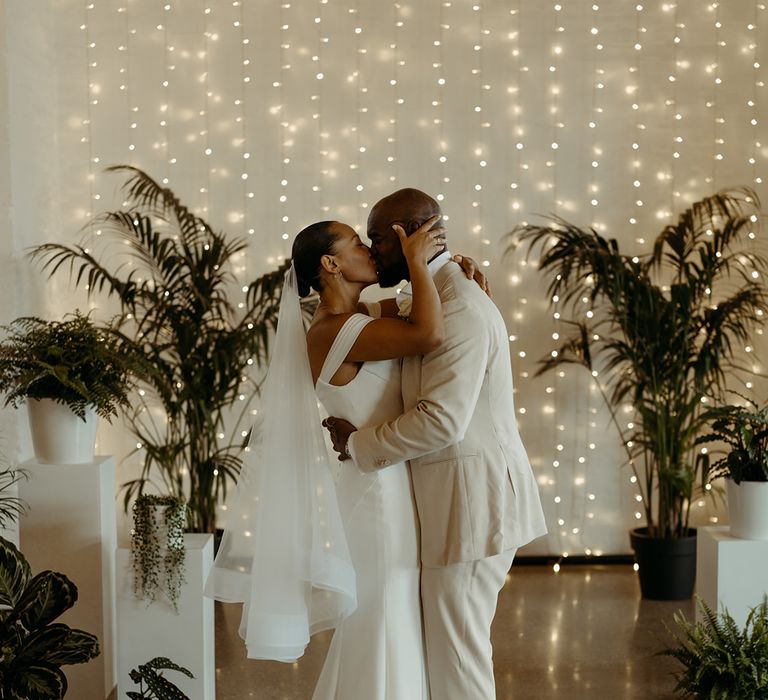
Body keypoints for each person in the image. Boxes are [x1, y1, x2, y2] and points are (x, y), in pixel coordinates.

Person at [206, 211, 488, 699]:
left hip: (387, 481)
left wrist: (460, 280)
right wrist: (419, 262)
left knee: (392, 614)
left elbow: (427, 314)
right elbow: (427, 334)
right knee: (383, 617)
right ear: (331, 264)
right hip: (379, 496)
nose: (371, 251)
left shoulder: (362, 319)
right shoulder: (333, 330)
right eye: (358, 243)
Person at [324, 188, 548, 700]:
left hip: (472, 504)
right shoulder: (435, 294)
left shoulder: (461, 306)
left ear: (407, 237)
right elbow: (380, 309)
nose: (372, 250)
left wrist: (359, 445)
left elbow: (441, 421)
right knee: (449, 652)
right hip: (455, 503)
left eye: (377, 238)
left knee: (458, 661)